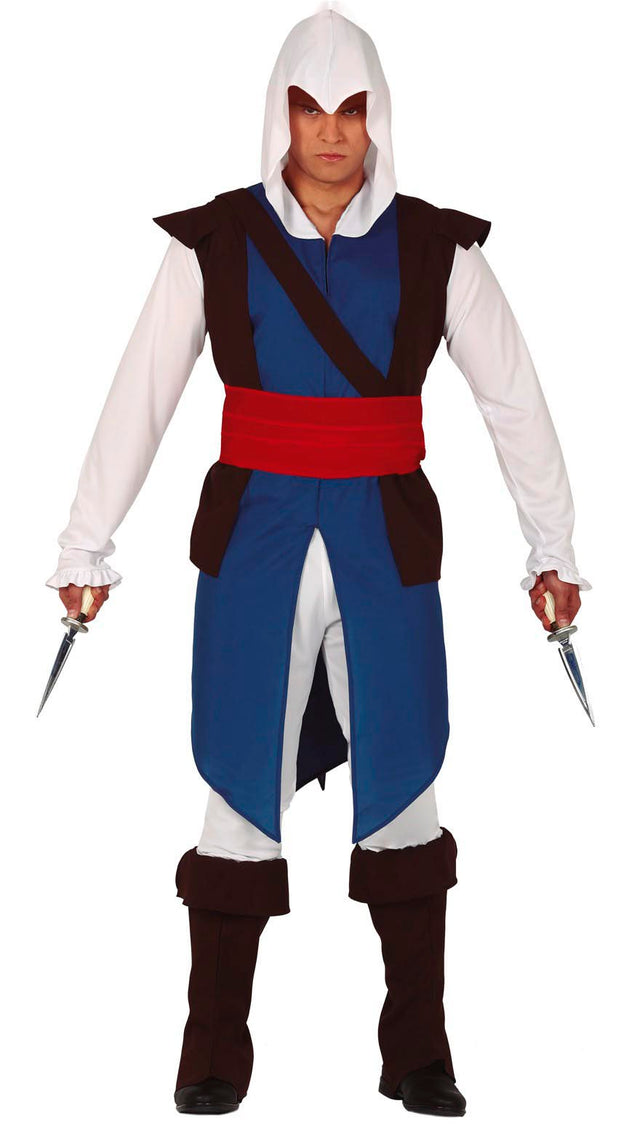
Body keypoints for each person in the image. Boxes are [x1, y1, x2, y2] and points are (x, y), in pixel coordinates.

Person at [45, 6, 591, 1118]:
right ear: (279, 115)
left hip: (386, 539)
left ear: (379, 114)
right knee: (236, 787)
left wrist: (553, 545)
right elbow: (141, 393)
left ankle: (418, 1051)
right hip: (254, 540)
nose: (332, 131)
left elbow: (514, 401)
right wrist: (85, 540)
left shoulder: (438, 247)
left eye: (351, 108)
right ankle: (212, 1050)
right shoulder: (214, 242)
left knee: (407, 785)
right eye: (310, 108)